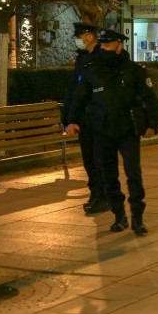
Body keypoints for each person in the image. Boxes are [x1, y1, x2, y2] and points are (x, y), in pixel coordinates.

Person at [66, 29, 158, 236]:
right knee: (108, 176)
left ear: (120, 46)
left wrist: (153, 124)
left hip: (128, 130)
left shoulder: (134, 71)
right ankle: (119, 216)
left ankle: (137, 218)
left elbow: (150, 98)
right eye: (102, 45)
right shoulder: (91, 71)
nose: (104, 49)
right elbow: (79, 98)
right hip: (101, 130)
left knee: (133, 175)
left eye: (109, 45)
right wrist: (71, 121)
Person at [62, 22, 107, 215]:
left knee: (99, 159)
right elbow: (75, 89)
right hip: (84, 117)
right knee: (88, 158)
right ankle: (96, 194)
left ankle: (103, 196)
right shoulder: (83, 58)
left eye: (79, 37)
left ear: (88, 36)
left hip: (97, 116)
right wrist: (69, 116)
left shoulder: (101, 57)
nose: (78, 41)